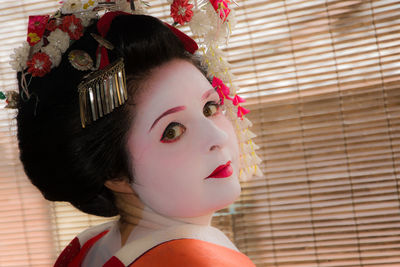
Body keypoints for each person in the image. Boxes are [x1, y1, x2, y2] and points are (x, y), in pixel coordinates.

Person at [10, 1, 259, 266]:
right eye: (172, 131)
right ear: (115, 172)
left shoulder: (89, 248)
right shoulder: (199, 260)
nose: (217, 139)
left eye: (210, 108)